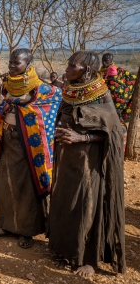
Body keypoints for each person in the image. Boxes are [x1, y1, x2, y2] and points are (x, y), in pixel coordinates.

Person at [50, 51, 125, 278]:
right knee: (66, 202)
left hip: (91, 163)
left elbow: (114, 133)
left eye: (73, 66)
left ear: (88, 71)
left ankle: (89, 260)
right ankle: (66, 251)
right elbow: (63, 117)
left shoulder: (101, 95)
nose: (67, 69)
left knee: (87, 206)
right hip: (67, 159)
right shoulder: (70, 91)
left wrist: (82, 138)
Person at [0, 48, 61, 248]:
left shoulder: (39, 87)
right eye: (11, 62)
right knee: (5, 182)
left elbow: (57, 97)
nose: (12, 66)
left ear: (27, 65)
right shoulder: (8, 83)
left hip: (29, 143)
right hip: (9, 138)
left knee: (27, 187)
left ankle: (26, 231)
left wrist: (22, 104)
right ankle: (5, 225)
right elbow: (8, 103)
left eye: (17, 63)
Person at [100, 53, 136, 124]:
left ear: (111, 60)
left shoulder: (113, 69)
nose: (104, 62)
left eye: (106, 60)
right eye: (103, 60)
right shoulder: (101, 70)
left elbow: (114, 82)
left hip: (117, 93)